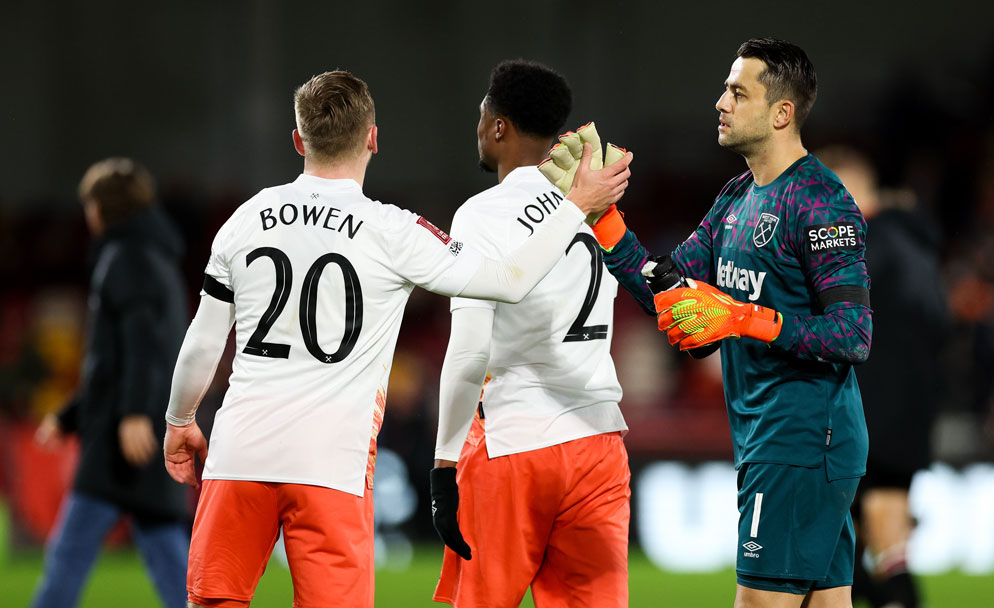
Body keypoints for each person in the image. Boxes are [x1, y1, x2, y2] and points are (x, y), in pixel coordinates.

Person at [161, 70, 631, 608]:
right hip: (331, 465)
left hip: (238, 454)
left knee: (213, 602)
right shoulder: (393, 231)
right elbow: (510, 281)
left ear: (298, 140)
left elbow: (203, 340)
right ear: (372, 138)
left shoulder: (245, 220)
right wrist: (575, 208)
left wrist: (180, 421)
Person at [565, 39, 873, 608]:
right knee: (827, 603)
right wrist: (603, 220)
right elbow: (668, 288)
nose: (720, 103)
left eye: (738, 91)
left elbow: (852, 334)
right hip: (773, 436)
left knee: (758, 602)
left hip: (801, 437)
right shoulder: (736, 199)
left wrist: (740, 318)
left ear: (781, 113)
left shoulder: (821, 202)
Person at [430, 60, 630, 608]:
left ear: (498, 126)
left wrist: (444, 462)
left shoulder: (482, 213)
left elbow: (469, 351)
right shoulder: (594, 209)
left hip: (514, 440)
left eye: (481, 115)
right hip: (598, 440)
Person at [32, 158, 190, 608]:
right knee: (166, 555)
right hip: (137, 428)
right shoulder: (155, 257)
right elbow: (121, 360)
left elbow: (138, 349)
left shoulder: (126, 259)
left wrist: (133, 413)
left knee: (69, 553)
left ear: (102, 208)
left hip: (119, 439)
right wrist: (70, 416)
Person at [817, 146, 949, 608]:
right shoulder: (915, 244)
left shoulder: (864, 248)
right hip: (907, 412)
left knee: (833, 544)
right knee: (881, 541)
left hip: (869, 413)